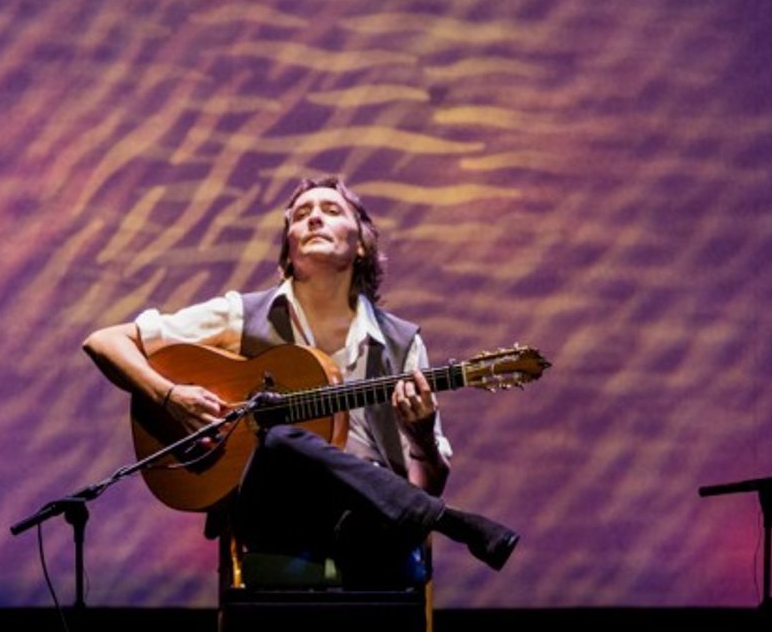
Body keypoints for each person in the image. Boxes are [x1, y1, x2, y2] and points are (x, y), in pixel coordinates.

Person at [83, 175, 519, 588]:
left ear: (361, 246)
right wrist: (170, 395)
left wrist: (422, 437)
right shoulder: (241, 317)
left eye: (331, 210)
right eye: (300, 214)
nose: (313, 218)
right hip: (275, 513)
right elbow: (105, 342)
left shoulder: (400, 344)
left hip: (366, 520)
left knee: (375, 527)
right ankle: (451, 521)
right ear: (288, 249)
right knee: (277, 439)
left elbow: (422, 485)